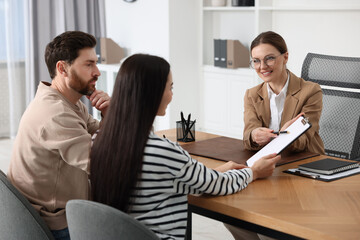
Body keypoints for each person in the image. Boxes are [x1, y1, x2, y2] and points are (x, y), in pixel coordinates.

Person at [90, 53, 280, 240]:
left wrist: (218, 171)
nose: (172, 94)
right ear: (154, 94)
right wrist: (254, 172)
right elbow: (217, 185)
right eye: (170, 87)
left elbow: (174, 180)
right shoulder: (160, 150)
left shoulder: (99, 140)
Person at [7, 31, 110, 240]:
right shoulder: (56, 114)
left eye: (96, 63)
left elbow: (104, 138)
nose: (97, 72)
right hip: (53, 224)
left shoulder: (68, 102)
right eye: (88, 64)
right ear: (62, 68)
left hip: (48, 212)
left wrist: (109, 115)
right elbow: (105, 163)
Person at [243, 31, 324, 155]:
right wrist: (254, 135)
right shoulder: (252, 95)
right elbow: (247, 137)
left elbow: (303, 141)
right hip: (270, 160)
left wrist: (283, 136)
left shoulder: (311, 92)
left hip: (304, 162)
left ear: (285, 57)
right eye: (256, 61)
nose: (262, 67)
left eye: (269, 58)